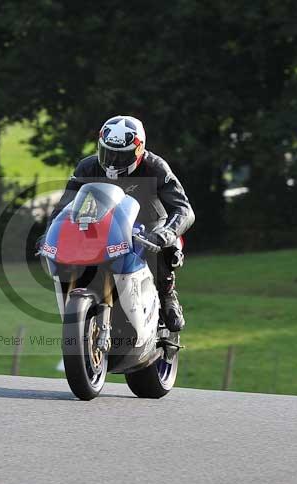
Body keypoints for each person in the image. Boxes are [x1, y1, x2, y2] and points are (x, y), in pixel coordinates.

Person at [48, 115, 195, 331]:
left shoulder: (156, 168)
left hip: (150, 225)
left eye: (121, 155)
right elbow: (63, 207)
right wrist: (50, 232)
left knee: (164, 250)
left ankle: (167, 296)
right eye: (108, 153)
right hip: (106, 226)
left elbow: (184, 209)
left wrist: (165, 234)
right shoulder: (87, 167)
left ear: (138, 150)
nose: (113, 161)